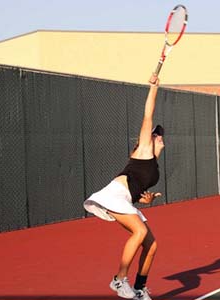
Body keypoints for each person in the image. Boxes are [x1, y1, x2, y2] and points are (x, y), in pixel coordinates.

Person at [83, 73, 164, 300]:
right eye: (155, 134)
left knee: (152, 245)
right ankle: (119, 280)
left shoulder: (154, 167)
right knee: (139, 232)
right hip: (113, 194)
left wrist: (144, 200)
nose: (158, 136)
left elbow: (135, 187)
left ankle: (139, 289)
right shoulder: (143, 150)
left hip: (125, 199)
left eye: (158, 135)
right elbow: (148, 115)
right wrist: (154, 88)